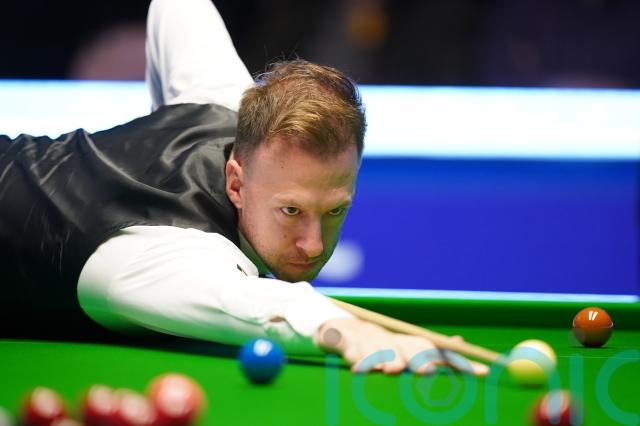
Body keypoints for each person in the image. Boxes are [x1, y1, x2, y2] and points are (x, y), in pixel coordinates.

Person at [0, 0, 487, 376]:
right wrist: (347, 330)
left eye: (334, 211)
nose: (313, 245)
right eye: (291, 211)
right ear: (236, 182)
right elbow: (252, 305)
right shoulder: (161, 254)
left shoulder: (231, 108)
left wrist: (156, 125)